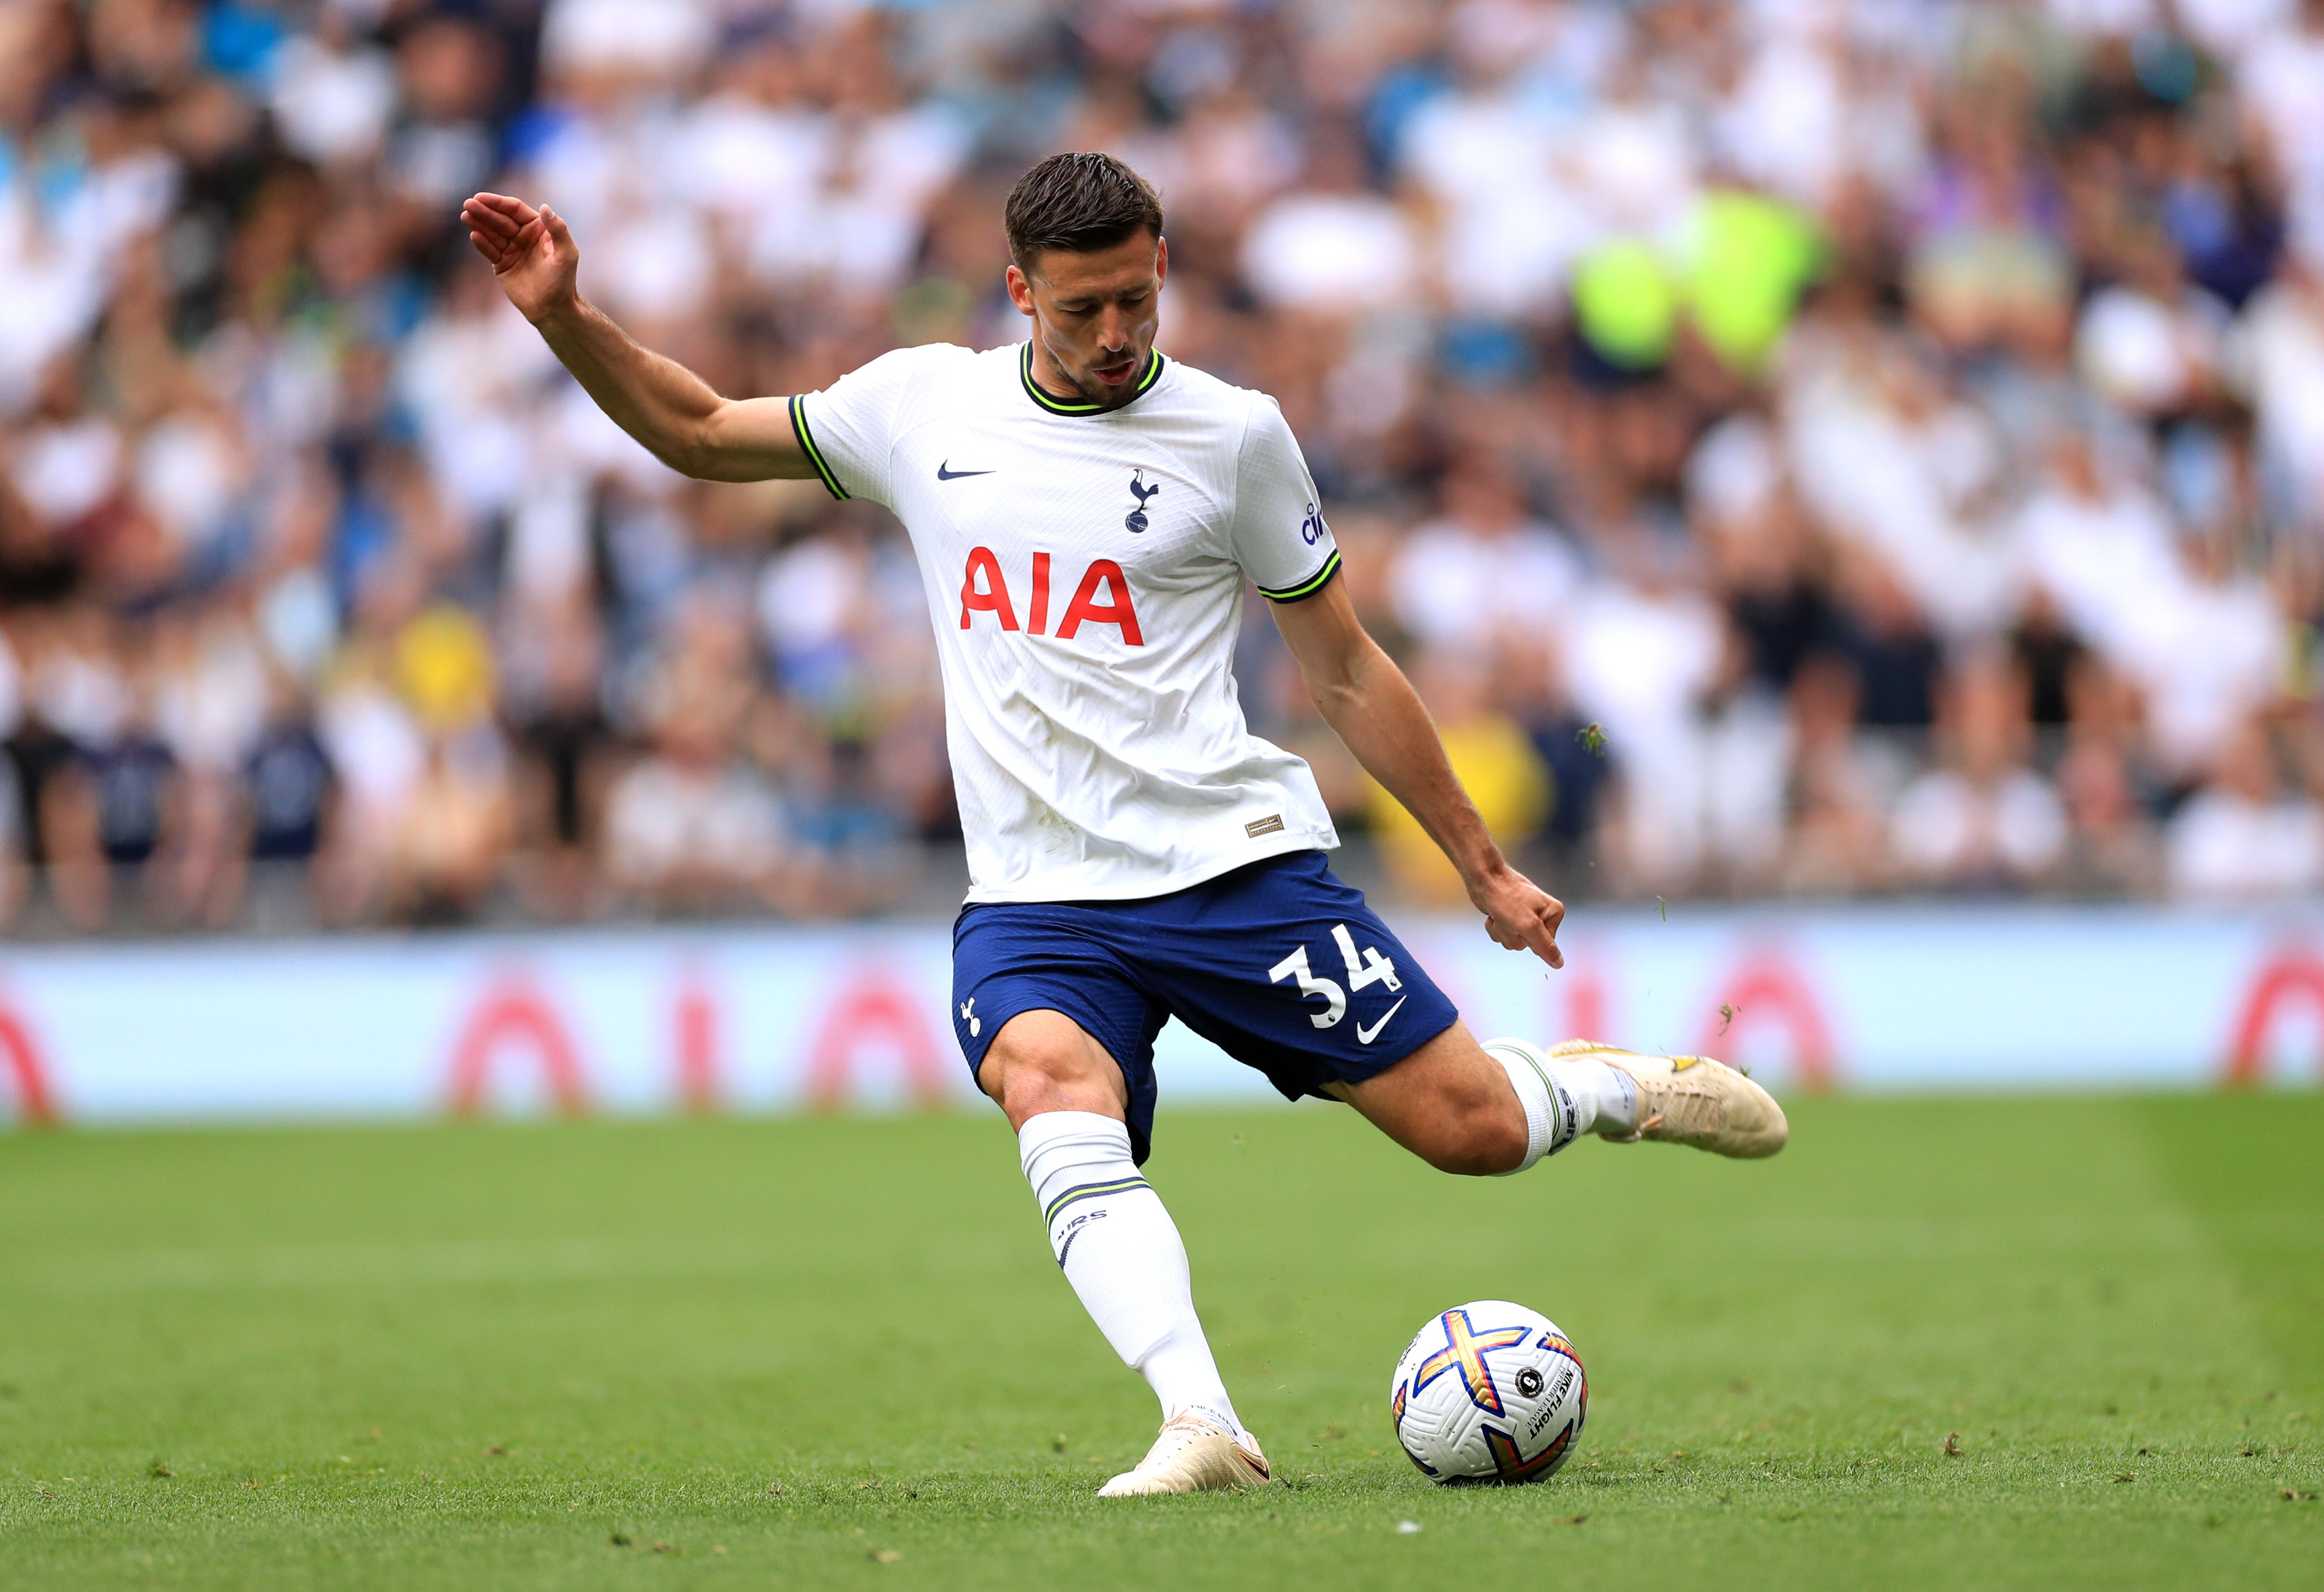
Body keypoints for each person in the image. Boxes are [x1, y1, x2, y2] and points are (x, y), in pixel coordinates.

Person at [460, 152, 1788, 1498]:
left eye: (1135, 304)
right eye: (1080, 308)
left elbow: (1339, 667)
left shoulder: (1233, 436)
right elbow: (695, 430)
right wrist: (564, 315)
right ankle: (1200, 1422)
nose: (1112, 338)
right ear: (1018, 289)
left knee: (1473, 1133)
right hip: (1037, 895)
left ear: (1162, 275)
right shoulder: (924, 403)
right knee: (1043, 1080)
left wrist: (1478, 859)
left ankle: (1619, 1085)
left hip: (1228, 869)